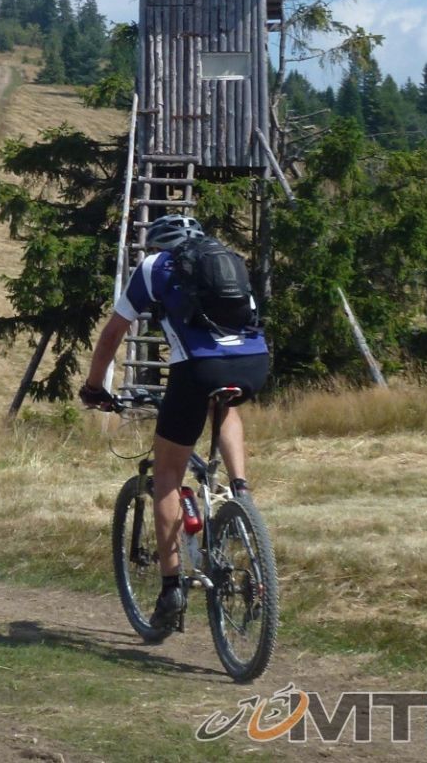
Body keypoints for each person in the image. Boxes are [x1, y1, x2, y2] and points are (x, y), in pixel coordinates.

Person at [79, 215, 269, 632]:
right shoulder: (225, 258)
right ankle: (241, 493)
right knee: (224, 406)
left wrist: (94, 387)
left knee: (166, 476)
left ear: (158, 244)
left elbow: (113, 333)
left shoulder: (154, 266)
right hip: (254, 362)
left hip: (198, 368)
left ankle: (170, 590)